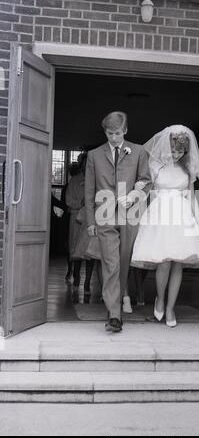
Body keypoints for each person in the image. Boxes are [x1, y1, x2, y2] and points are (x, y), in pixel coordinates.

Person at [131, 125, 199, 327]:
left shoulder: (188, 168)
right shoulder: (155, 166)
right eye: (174, 150)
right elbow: (144, 190)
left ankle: (170, 308)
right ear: (167, 147)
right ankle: (160, 299)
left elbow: (192, 197)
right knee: (164, 261)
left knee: (179, 262)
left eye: (181, 151)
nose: (177, 155)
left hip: (182, 215)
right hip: (160, 214)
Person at [85, 111, 152, 333]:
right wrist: (89, 220)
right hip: (103, 214)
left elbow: (146, 180)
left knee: (123, 263)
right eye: (109, 133)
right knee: (110, 263)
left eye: (117, 133)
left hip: (129, 213)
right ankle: (114, 314)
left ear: (125, 131)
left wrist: (133, 195)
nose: (113, 137)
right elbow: (89, 189)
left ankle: (118, 303)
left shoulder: (139, 151)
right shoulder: (94, 155)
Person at [66, 153, 95, 296]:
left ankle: (88, 283)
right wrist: (81, 203)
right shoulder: (74, 181)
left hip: (91, 218)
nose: (86, 166)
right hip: (77, 219)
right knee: (76, 250)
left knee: (90, 252)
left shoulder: (96, 180)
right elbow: (68, 200)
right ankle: (76, 279)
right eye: (84, 164)